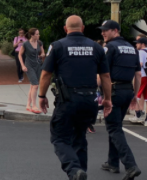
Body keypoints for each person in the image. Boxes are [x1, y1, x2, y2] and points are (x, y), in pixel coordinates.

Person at [38, 15, 112, 180]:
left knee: (59, 137)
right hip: (90, 101)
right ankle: (80, 173)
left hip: (68, 100)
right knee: (80, 137)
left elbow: (46, 74)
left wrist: (41, 95)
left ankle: (74, 170)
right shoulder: (97, 47)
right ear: (83, 28)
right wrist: (107, 99)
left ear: (65, 29)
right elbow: (106, 76)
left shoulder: (57, 46)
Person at [98, 20, 142, 179]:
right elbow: (138, 75)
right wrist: (135, 95)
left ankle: (131, 165)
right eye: (102, 30)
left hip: (113, 91)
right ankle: (112, 162)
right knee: (115, 125)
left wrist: (103, 95)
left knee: (114, 129)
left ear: (115, 30)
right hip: (127, 92)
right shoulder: (131, 48)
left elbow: (104, 74)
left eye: (105, 30)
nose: (103, 33)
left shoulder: (109, 47)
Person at [18, 28, 45, 113]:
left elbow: (43, 53)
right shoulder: (26, 44)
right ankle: (34, 106)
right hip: (29, 65)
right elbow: (20, 55)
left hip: (38, 65)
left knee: (32, 86)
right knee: (35, 85)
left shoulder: (39, 43)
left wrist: (42, 55)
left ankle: (28, 104)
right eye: (36, 34)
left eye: (38, 34)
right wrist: (22, 65)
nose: (38, 35)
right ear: (32, 35)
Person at [130, 36, 147, 125]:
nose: (136, 44)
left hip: (142, 76)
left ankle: (138, 115)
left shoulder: (141, 52)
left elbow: (139, 64)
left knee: (136, 95)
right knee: (146, 98)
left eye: (137, 43)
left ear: (142, 44)